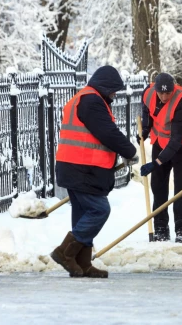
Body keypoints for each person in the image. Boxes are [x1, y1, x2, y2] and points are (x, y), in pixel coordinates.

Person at [52, 66, 138, 278]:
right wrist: (129, 150)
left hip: (74, 166)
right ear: (105, 86)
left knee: (83, 214)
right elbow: (106, 132)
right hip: (82, 168)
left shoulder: (84, 98)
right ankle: (65, 253)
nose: (114, 95)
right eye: (113, 90)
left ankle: (82, 264)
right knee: (99, 210)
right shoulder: (91, 101)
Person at [139, 73, 182, 242]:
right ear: (156, 89)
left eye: (168, 92)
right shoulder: (148, 93)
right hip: (160, 141)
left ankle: (181, 229)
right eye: (161, 93)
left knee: (180, 186)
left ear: (173, 88)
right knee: (158, 184)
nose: (164, 96)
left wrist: (156, 162)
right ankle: (160, 227)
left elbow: (176, 140)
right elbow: (146, 110)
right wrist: (145, 128)